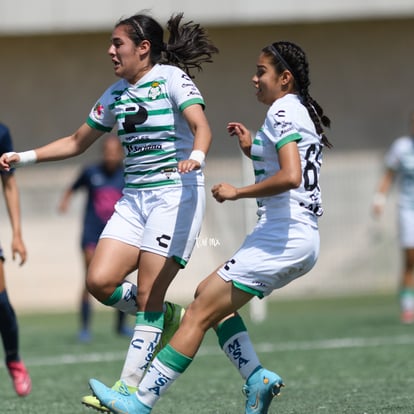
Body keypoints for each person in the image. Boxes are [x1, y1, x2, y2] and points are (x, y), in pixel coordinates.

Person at [89, 40, 332, 414]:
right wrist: (253, 147)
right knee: (209, 296)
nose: (254, 78)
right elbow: (289, 162)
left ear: (285, 79)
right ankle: (255, 377)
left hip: (282, 235)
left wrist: (238, 192)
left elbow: (290, 176)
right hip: (300, 238)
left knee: (199, 311)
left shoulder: (282, 111)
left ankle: (139, 401)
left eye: (261, 71)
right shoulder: (298, 110)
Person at [0, 11, 217, 411]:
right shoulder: (115, 92)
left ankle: (128, 389)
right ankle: (166, 315)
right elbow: (76, 141)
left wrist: (198, 156)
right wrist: (23, 157)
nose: (111, 51)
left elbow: (201, 125)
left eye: (118, 44)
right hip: (134, 200)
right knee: (99, 282)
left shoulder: (170, 78)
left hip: (174, 195)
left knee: (150, 291)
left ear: (143, 48)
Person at [58, 135, 133, 342]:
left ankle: (120, 326)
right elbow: (72, 188)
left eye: (114, 151)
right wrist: (65, 202)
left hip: (118, 236)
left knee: (118, 279)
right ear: (103, 152)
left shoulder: (128, 174)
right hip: (91, 234)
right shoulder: (91, 172)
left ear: (120, 153)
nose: (111, 155)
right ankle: (84, 328)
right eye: (107, 151)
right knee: (90, 279)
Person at [371, 111, 414, 324]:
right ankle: (408, 306)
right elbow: (389, 174)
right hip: (408, 208)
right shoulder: (402, 147)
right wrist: (379, 198)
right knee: (410, 257)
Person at [0, 123, 32, 397]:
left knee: (0, 302)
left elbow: (9, 184)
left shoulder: (1, 132)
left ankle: (13, 359)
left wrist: (17, 234)